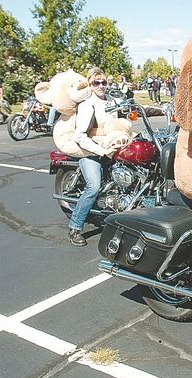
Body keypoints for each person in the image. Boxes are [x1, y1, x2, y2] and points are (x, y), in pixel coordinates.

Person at [67, 67, 118, 246]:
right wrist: (101, 151)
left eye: (104, 82)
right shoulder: (88, 105)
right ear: (90, 84)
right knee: (94, 186)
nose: (101, 86)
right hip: (91, 150)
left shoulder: (112, 101)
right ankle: (75, 227)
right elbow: (79, 136)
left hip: (111, 147)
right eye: (96, 82)